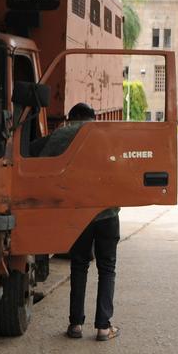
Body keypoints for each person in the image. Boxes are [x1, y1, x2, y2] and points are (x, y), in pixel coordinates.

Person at [64, 102, 121, 341]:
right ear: (93, 118)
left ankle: (76, 325)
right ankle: (103, 327)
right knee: (106, 269)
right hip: (107, 214)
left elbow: (36, 150)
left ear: (70, 119)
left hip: (79, 215)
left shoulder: (63, 136)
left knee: (79, 266)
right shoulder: (105, 138)